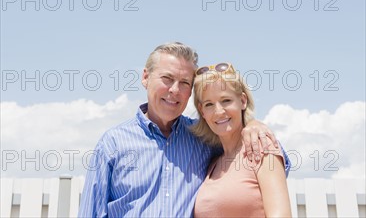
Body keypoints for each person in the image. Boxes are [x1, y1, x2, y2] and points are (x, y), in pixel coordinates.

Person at [78, 43, 289, 217]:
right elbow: (90, 212)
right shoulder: (113, 143)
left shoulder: (203, 139)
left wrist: (252, 125)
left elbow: (262, 158)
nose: (174, 90)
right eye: (167, 79)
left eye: (184, 83)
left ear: (190, 93)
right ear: (145, 77)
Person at [192, 63, 292, 218]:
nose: (219, 111)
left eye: (226, 100)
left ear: (242, 101)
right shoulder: (212, 163)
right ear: (202, 111)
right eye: (209, 104)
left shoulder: (262, 147)